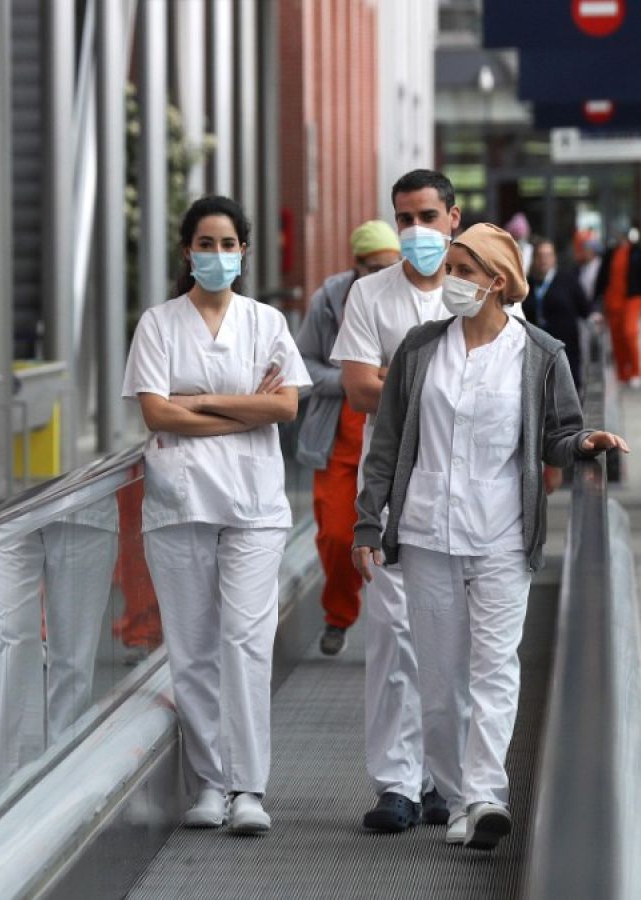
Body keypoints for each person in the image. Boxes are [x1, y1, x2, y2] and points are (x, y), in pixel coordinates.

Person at [352, 223, 630, 851]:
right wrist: (369, 519)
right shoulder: (421, 349)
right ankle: (454, 797)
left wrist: (585, 442)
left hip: (503, 534)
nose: (449, 281)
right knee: (441, 681)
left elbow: (558, 432)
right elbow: (388, 444)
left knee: (495, 669)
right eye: (450, 268)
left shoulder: (540, 353)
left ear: (496, 282)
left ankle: (484, 796)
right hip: (425, 534)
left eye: (462, 270)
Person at [121, 195, 310, 835]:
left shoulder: (266, 322)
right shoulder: (158, 323)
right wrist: (240, 408)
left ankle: (248, 788)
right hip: (179, 503)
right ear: (186, 251)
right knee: (193, 647)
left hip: (255, 503)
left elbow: (284, 408)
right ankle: (209, 783)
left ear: (244, 252)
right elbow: (155, 412)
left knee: (246, 643)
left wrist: (197, 403)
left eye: (229, 245)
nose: (218, 255)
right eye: (206, 244)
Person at [330, 169, 462, 833]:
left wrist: (400, 380)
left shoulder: (479, 288)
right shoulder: (369, 296)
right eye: (404, 219)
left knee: (455, 639)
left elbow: (508, 377)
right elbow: (357, 389)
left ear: (453, 219)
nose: (416, 232)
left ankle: (446, 781)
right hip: (388, 492)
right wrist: (445, 385)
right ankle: (397, 784)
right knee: (393, 636)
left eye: (427, 217)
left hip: (466, 491)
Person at [294, 220, 401, 657]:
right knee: (337, 538)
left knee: (400, 547)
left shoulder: (414, 293)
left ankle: (393, 637)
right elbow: (302, 366)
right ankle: (339, 613)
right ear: (354, 265)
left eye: (389, 266)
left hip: (395, 441)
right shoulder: (329, 301)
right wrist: (353, 380)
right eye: (372, 268)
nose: (380, 275)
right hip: (340, 439)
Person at [0, 497, 119, 792]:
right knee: (5, 636)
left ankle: (63, 784)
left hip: (84, 496)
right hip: (2, 500)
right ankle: (2, 789)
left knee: (72, 658)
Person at [522, 238, 594, 390]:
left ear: (554, 258)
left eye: (548, 255)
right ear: (534, 259)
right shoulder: (525, 284)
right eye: (540, 255)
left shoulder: (568, 280)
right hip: (535, 351)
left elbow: (585, 309)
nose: (543, 260)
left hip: (565, 350)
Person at [595, 227, 641, 389]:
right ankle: (622, 373)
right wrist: (597, 298)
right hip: (613, 299)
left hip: (632, 298)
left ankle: (635, 372)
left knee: (630, 333)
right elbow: (602, 277)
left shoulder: (638, 253)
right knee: (616, 337)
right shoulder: (611, 254)